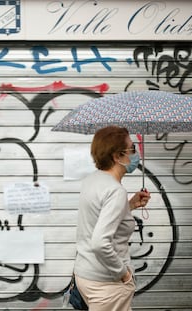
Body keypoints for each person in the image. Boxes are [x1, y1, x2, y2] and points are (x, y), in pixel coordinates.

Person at [74, 126, 151, 311]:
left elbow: (96, 217)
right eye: (132, 149)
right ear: (117, 156)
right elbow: (100, 243)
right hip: (106, 284)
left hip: (86, 275)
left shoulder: (93, 180)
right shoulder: (115, 191)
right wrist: (124, 274)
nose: (136, 154)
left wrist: (129, 205)